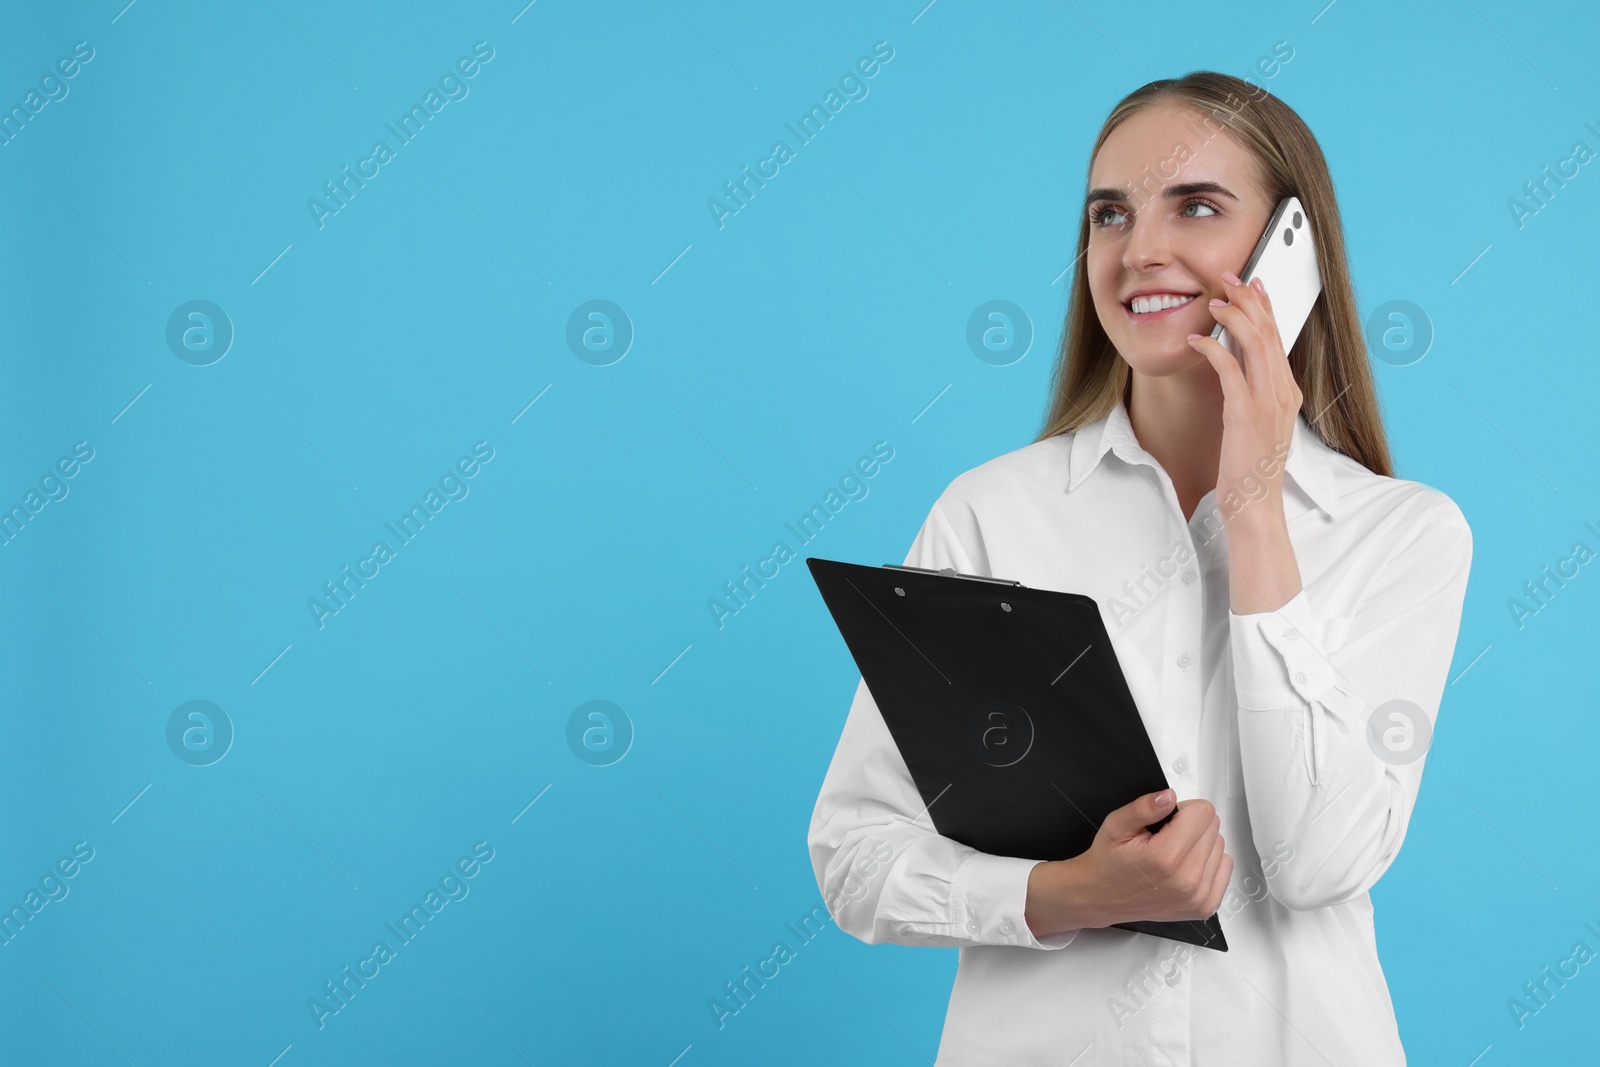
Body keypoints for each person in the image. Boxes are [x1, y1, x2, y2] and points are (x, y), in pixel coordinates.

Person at [808, 70, 1473, 1065]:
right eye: (1109, 213)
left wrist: (1256, 512)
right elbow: (854, 855)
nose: (1140, 251)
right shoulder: (990, 513)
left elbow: (1317, 860)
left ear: (1292, 252)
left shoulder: (1402, 533)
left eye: (1196, 206)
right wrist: (1059, 894)